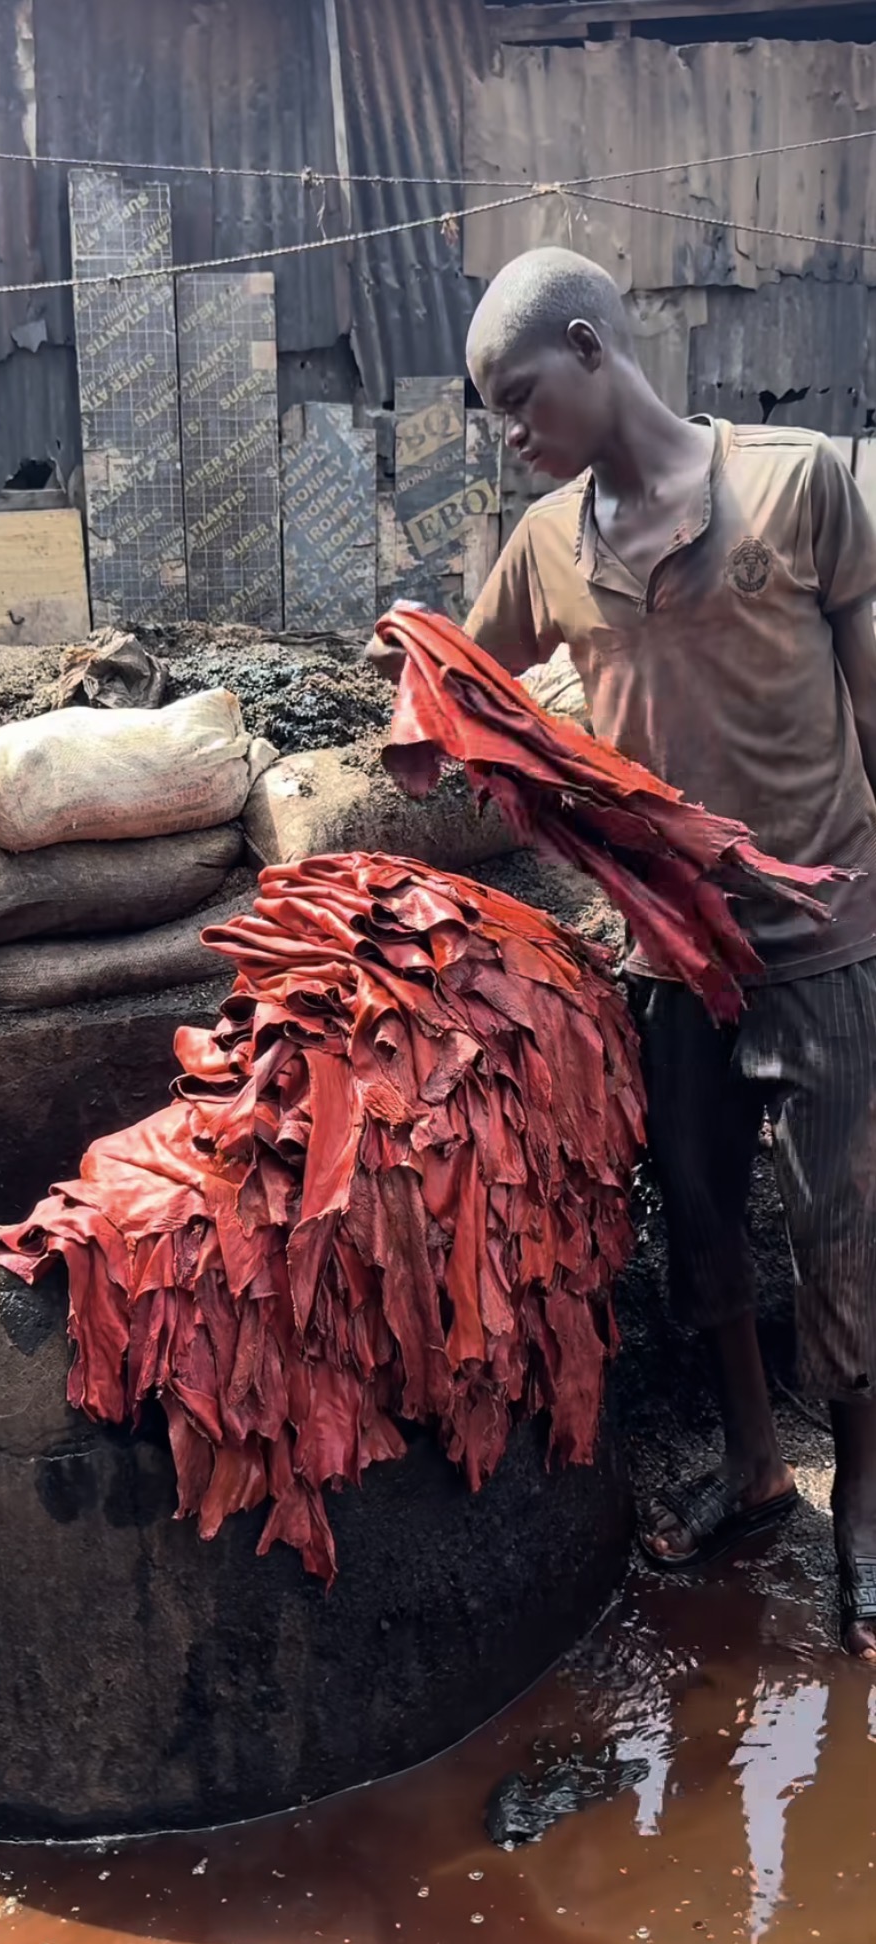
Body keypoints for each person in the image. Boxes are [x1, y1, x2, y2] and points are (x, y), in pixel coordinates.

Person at [369, 246, 876, 1662]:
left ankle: (866, 1516)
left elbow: (870, 695)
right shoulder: (545, 545)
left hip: (822, 930)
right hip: (667, 954)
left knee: (835, 1223)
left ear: (592, 349)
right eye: (497, 418)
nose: (514, 437)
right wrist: (416, 690)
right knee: (702, 1221)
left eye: (521, 401)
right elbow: (456, 696)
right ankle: (752, 1470)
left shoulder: (793, 487)